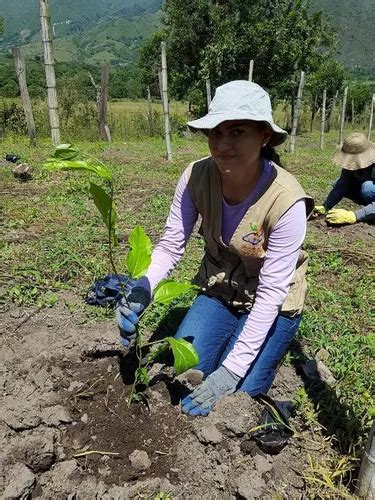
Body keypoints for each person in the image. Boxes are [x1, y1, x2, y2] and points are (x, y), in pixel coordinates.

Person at [117, 80, 314, 416]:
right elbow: (170, 245)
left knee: (234, 397)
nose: (223, 144)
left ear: (264, 136)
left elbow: (270, 294)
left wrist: (232, 371)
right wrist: (143, 287)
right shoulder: (196, 176)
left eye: (237, 132)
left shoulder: (287, 201)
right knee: (186, 375)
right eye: (215, 132)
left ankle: (250, 368)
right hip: (220, 290)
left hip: (273, 302)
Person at [315, 133, 375, 224]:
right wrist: (326, 206)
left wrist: (354, 215)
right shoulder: (350, 164)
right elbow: (344, 181)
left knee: (367, 189)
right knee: (338, 183)